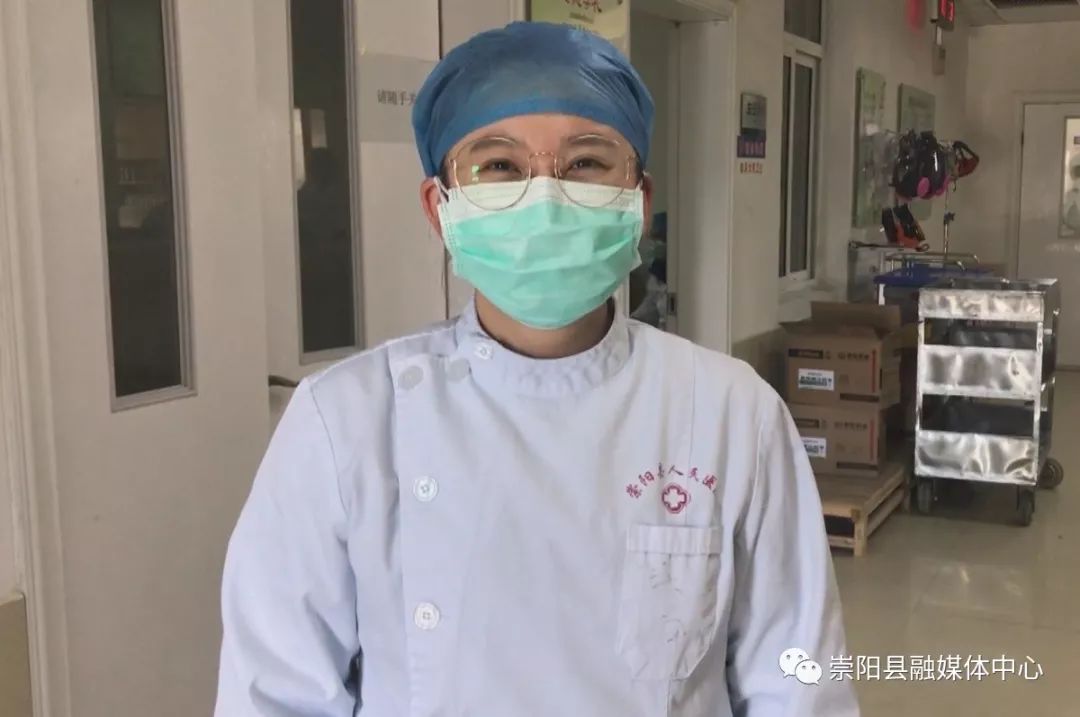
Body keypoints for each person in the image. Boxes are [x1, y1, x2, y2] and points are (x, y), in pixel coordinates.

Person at [214, 22, 858, 716]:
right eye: (499, 166)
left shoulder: (731, 414)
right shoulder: (345, 422)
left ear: (639, 203)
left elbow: (799, 683)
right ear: (440, 208)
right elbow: (274, 695)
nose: (545, 197)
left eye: (586, 163)